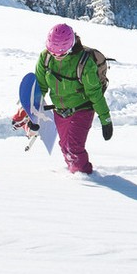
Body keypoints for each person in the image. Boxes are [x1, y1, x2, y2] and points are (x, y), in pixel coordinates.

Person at [33, 22, 112, 174]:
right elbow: (40, 87)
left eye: (61, 54)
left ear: (70, 48)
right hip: (59, 110)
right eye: (53, 52)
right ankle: (74, 175)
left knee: (74, 148)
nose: (56, 56)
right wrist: (32, 111)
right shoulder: (45, 58)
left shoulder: (84, 62)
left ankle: (86, 179)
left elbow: (94, 93)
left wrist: (105, 119)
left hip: (82, 109)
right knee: (64, 146)